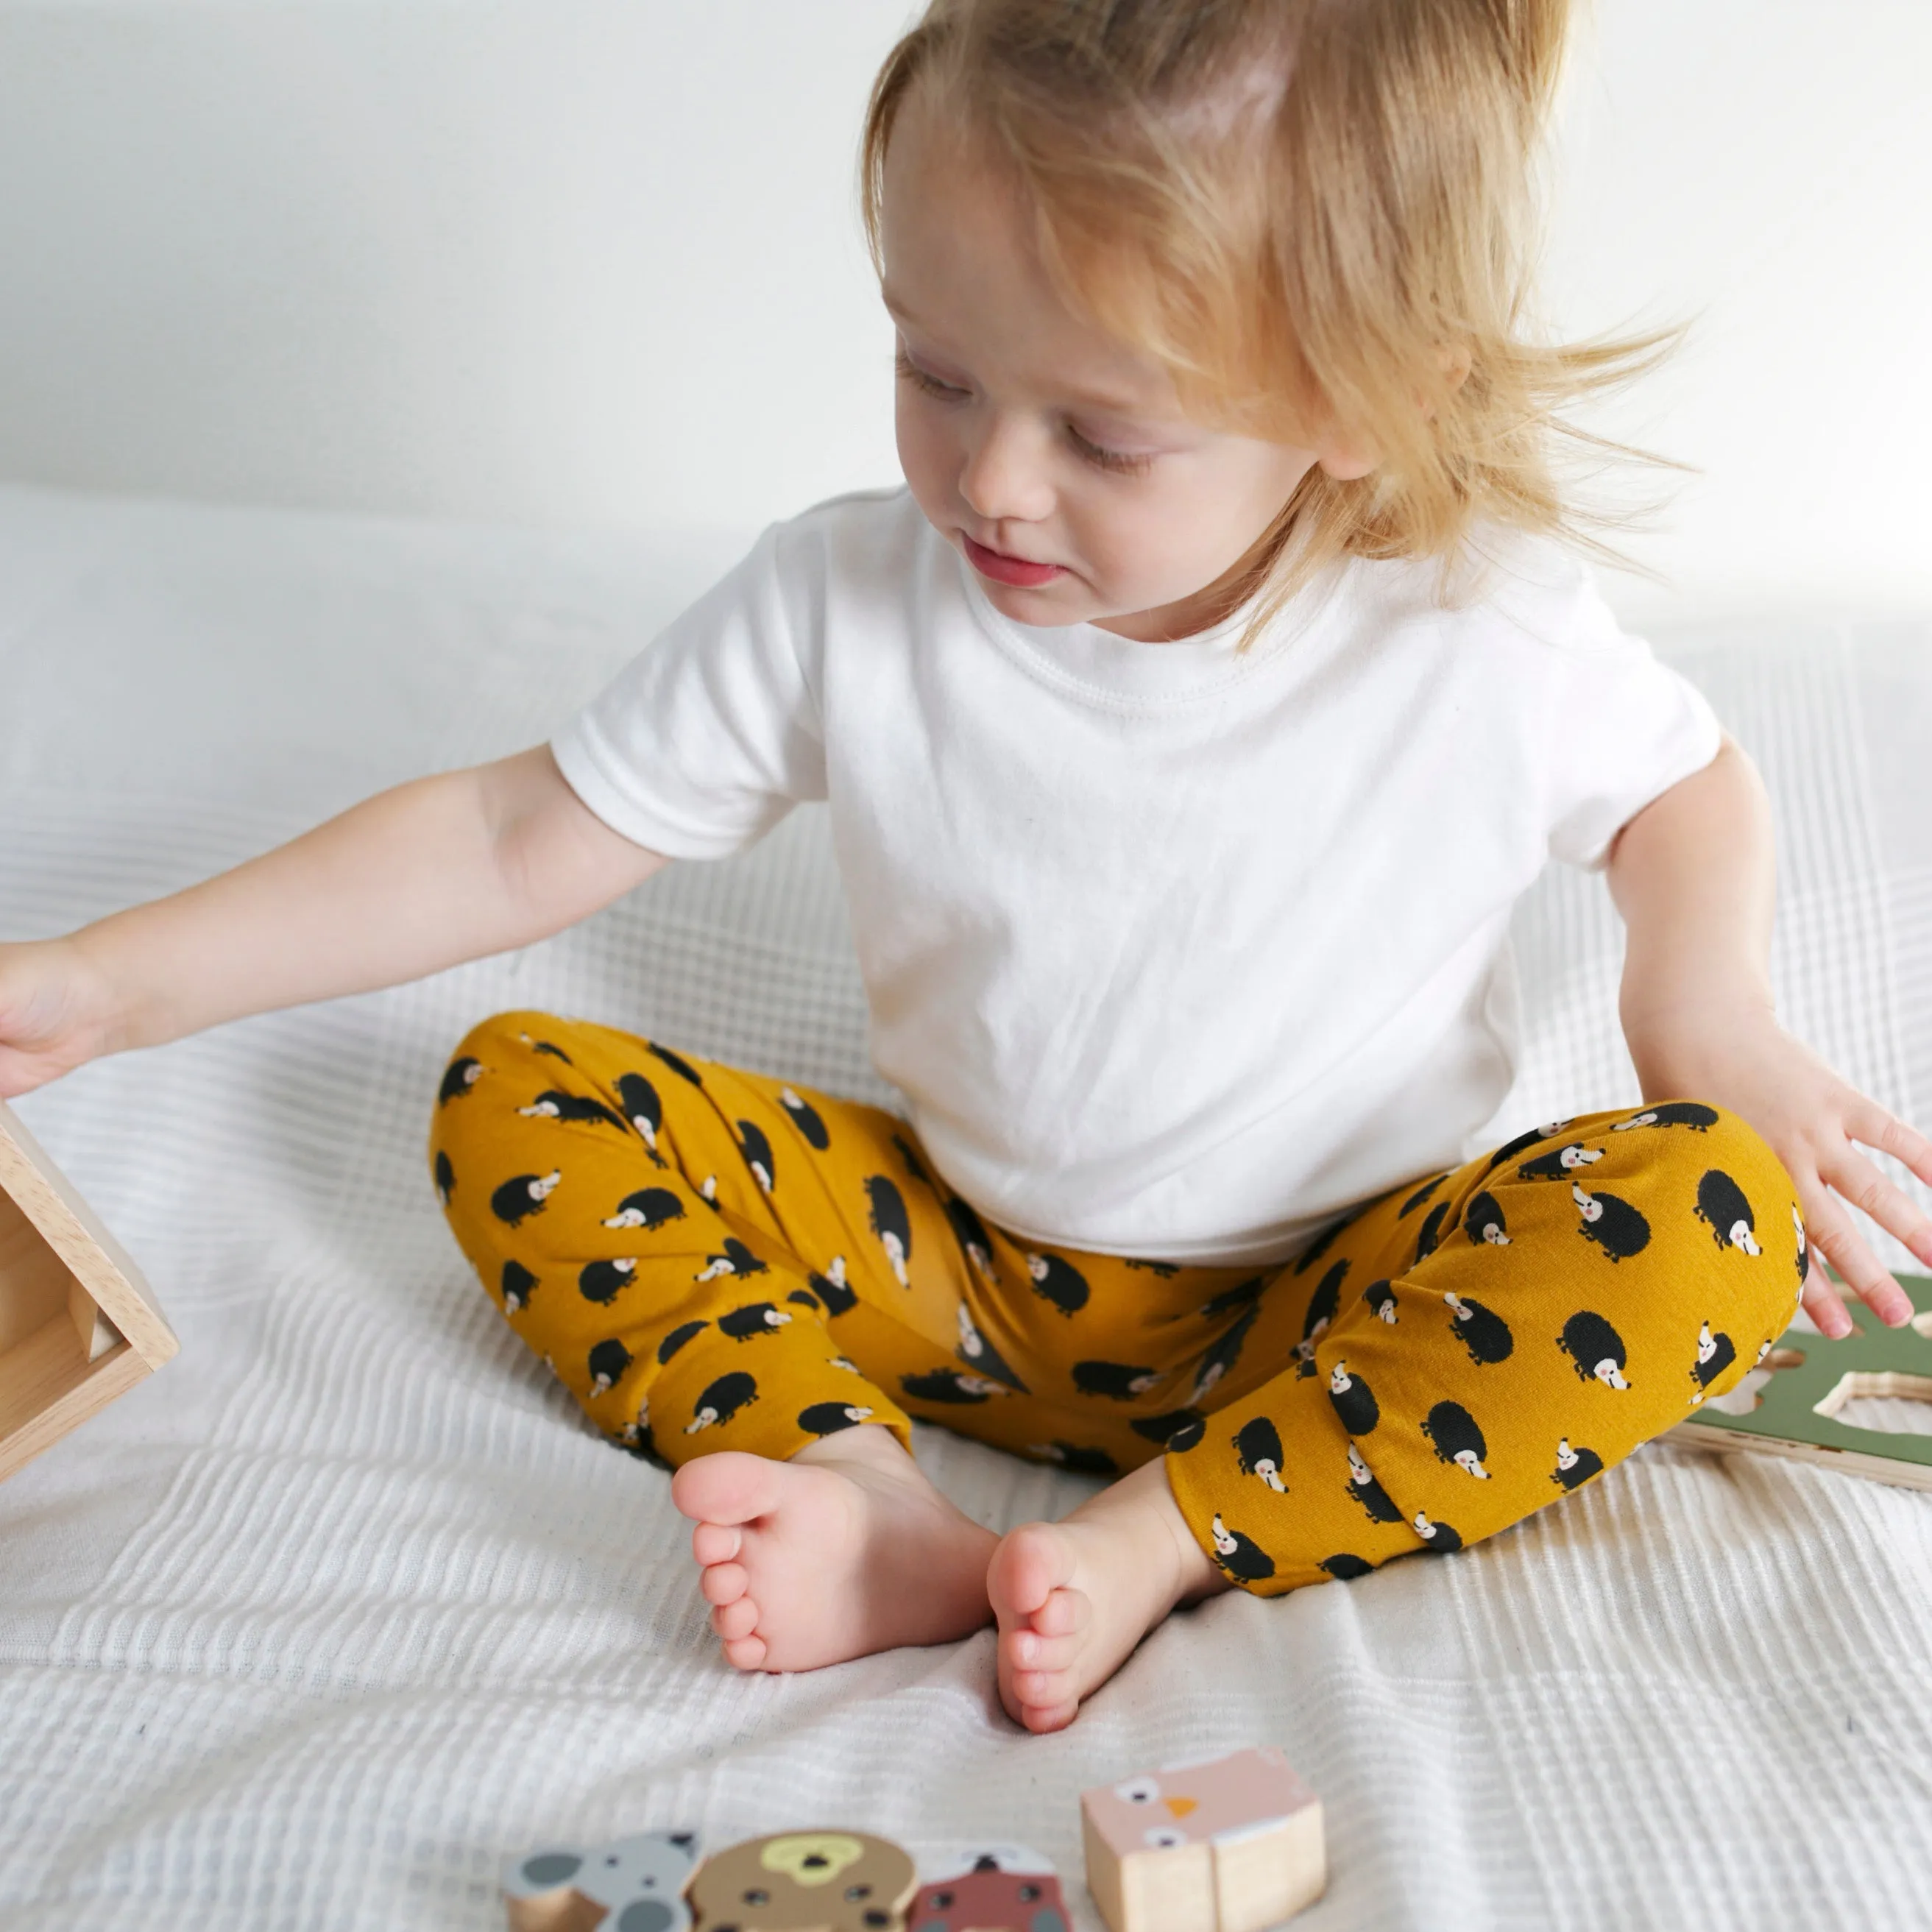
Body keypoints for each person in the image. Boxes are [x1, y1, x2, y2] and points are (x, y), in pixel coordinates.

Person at [3, 0, 1929, 1738]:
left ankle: (1164, 1538)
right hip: (962, 1272)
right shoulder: (849, 600)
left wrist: (1707, 1011)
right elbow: (517, 832)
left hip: (1339, 1297)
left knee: (1703, 1218)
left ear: (1370, 401)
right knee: (520, 1092)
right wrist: (108, 981)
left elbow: (1688, 792)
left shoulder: (1472, 629)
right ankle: (866, 1492)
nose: (995, 482)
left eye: (1104, 428)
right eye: (937, 374)